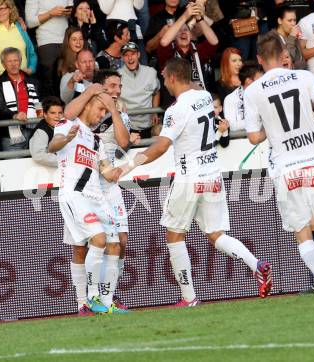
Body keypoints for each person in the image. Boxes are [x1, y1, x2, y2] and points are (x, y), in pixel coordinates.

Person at [116, 57, 272, 306]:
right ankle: (257, 264)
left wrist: (128, 165)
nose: (164, 82)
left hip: (189, 179)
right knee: (216, 235)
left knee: (175, 236)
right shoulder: (205, 97)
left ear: (173, 77)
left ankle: (189, 298)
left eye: (165, 77)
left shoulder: (175, 110)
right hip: (212, 176)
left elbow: (161, 147)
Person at [244, 33, 314, 301]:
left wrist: (270, 126)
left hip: (285, 168)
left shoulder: (252, 91)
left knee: (301, 231)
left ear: (259, 59)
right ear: (283, 52)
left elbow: (253, 137)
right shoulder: (303, 77)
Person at [48, 92, 125, 315]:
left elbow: (107, 172)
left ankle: (106, 302)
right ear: (88, 105)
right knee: (96, 240)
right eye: (101, 110)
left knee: (114, 244)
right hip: (75, 195)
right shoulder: (67, 124)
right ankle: (89, 299)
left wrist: (122, 168)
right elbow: (53, 146)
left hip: (97, 197)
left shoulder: (96, 139)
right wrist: (67, 138)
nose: (102, 115)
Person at [64, 71, 130, 310]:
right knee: (82, 245)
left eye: (119, 86)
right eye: (112, 85)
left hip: (107, 185)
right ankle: (84, 302)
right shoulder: (83, 106)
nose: (117, 90)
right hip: (81, 187)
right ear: (100, 87)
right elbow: (67, 116)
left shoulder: (119, 112)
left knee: (119, 240)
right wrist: (92, 93)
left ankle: (106, 297)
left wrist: (113, 111)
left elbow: (124, 143)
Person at [158, 3, 218, 108]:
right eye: (179, 31)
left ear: (191, 35)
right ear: (174, 36)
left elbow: (214, 41)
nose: (183, 33)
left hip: (199, 105)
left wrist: (199, 18)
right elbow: (164, 42)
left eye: (186, 30)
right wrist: (185, 15)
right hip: (176, 107)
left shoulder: (198, 50)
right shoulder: (169, 53)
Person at [0, 47, 41, 151]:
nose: (13, 64)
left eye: (16, 60)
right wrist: (14, 115)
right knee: (13, 165)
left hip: (34, 129)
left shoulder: (32, 81)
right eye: (9, 61)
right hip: (10, 134)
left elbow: (40, 102)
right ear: (3, 64)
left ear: (20, 61)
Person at [0, 0, 37, 79]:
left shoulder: (20, 28)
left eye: (2, 8)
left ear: (10, 10)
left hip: (22, 79)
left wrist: (31, 69)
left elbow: (32, 54)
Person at [25, 0, 72, 97]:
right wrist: (51, 13)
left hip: (66, 39)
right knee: (49, 82)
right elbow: (30, 22)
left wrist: (70, 12)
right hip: (47, 41)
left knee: (68, 79)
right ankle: (51, 110)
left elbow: (71, 10)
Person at [118, 42, 160, 139]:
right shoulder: (117, 75)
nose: (130, 58)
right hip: (127, 128)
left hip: (149, 126)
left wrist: (154, 112)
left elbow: (156, 92)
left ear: (138, 55)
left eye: (133, 54)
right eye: (126, 55)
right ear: (122, 58)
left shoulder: (151, 72)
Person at [97, 0, 146, 64]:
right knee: (114, 61)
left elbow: (139, 6)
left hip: (132, 24)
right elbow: (106, 10)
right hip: (114, 28)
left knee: (140, 60)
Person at [223, 62, 262, 132]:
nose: (263, 82)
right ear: (248, 81)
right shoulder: (230, 98)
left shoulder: (266, 93)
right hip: (239, 140)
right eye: (260, 79)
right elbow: (231, 126)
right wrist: (258, 120)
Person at [29, 96, 64, 167]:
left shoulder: (64, 127)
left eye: (60, 113)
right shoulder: (41, 131)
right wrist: (65, 161)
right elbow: (38, 155)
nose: (57, 116)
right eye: (53, 113)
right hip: (43, 174)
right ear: (45, 115)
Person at [270, 5, 306, 70]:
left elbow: (300, 59)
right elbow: (287, 60)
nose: (293, 24)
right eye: (289, 20)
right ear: (280, 21)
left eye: (294, 20)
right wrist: (292, 37)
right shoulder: (271, 39)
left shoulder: (293, 36)